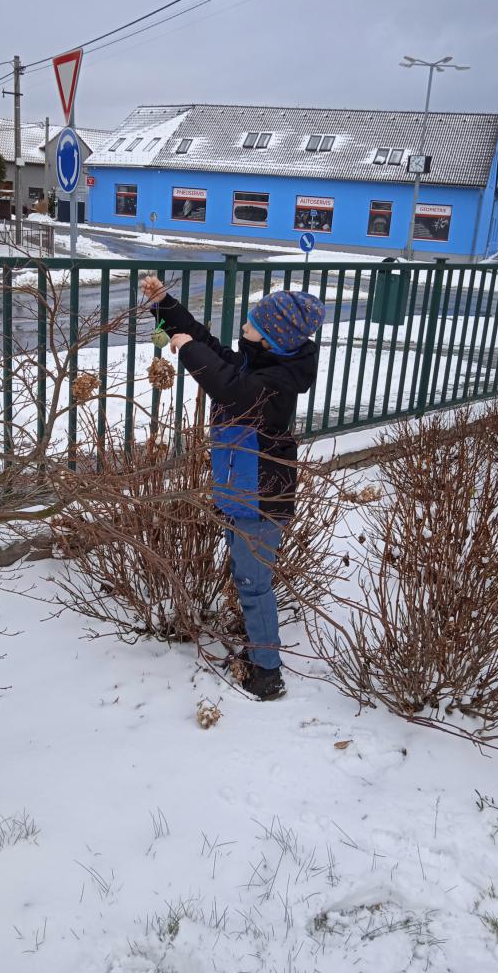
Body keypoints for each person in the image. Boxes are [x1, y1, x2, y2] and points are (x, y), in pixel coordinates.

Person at [141, 275, 325, 700]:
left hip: (262, 503)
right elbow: (212, 347)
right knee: (247, 578)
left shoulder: (275, 384)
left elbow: (228, 386)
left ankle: (267, 672)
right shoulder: (260, 362)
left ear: (272, 338)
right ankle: (258, 650)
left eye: (253, 323)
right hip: (243, 496)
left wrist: (188, 349)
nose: (244, 325)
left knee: (254, 584)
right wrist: (165, 304)